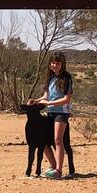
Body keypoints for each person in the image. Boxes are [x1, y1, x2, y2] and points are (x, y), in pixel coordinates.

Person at [27, 51, 73, 179]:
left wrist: (49, 103)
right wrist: (36, 101)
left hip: (61, 113)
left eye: (57, 63)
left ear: (62, 64)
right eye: (53, 63)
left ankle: (58, 170)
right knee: (44, 141)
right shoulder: (50, 78)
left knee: (58, 140)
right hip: (50, 112)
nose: (54, 65)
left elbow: (66, 99)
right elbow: (46, 96)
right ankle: (53, 166)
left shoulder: (67, 78)